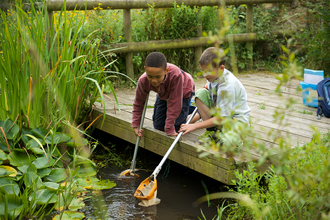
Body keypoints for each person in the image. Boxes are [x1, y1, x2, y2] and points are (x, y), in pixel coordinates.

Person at [179, 47, 250, 145]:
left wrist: (195, 126)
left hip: (235, 120)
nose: (205, 75)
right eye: (203, 71)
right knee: (200, 93)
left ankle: (236, 139)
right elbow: (208, 86)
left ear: (221, 68)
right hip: (221, 115)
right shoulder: (214, 75)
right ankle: (212, 131)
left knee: (225, 145)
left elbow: (222, 118)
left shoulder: (228, 87)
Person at [132, 52, 195, 137]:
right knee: (158, 126)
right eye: (150, 76)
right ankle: (184, 112)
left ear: (166, 71)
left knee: (176, 126)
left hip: (183, 91)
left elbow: (175, 103)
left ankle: (195, 112)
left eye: (158, 77)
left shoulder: (176, 75)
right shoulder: (143, 80)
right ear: (145, 69)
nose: (153, 80)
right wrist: (136, 124)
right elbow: (138, 103)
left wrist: (169, 129)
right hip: (163, 93)